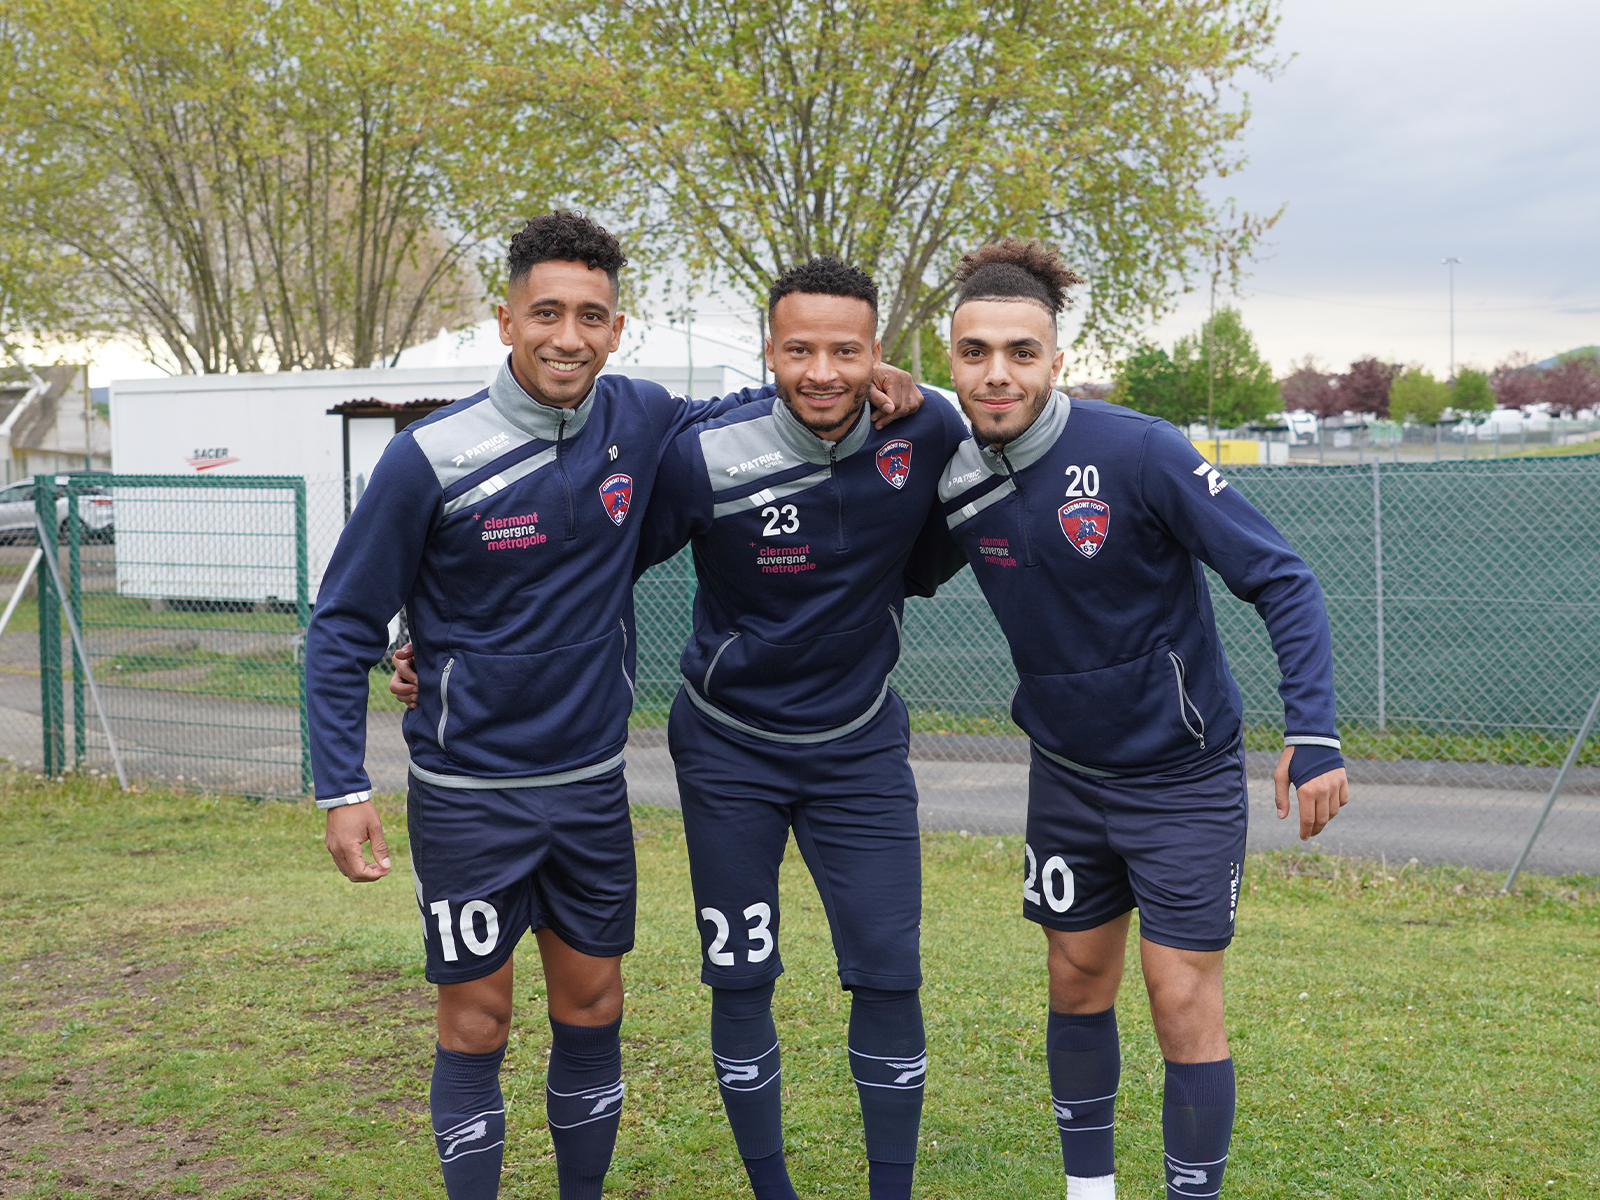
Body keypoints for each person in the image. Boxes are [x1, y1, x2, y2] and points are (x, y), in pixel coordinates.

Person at [306, 211, 918, 1200]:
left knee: (594, 1010)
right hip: (471, 797)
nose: (567, 336)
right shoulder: (430, 456)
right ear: (505, 319)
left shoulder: (643, 421)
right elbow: (341, 626)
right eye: (546, 312)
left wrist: (894, 384)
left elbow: (780, 401)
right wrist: (342, 785)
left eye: (591, 316)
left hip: (592, 794)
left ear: (617, 329)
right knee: (477, 1023)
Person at [923, 239, 1349, 1200]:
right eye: (976, 351)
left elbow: (1281, 577)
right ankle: (1091, 1190)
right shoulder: (950, 474)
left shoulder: (1137, 449)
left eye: (1021, 352)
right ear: (949, 359)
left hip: (1182, 777)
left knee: (1180, 995)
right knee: (1076, 983)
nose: (998, 372)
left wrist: (1313, 732)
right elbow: (892, 570)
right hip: (1066, 777)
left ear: (1056, 360)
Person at [633, 257, 969, 1200]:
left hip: (858, 749)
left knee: (890, 974)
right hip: (726, 746)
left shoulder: (929, 428)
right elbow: (589, 562)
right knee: (740, 974)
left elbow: (982, 490)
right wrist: (430, 637)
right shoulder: (707, 451)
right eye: (800, 349)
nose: (823, 371)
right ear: (769, 351)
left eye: (847, 351)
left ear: (878, 354)